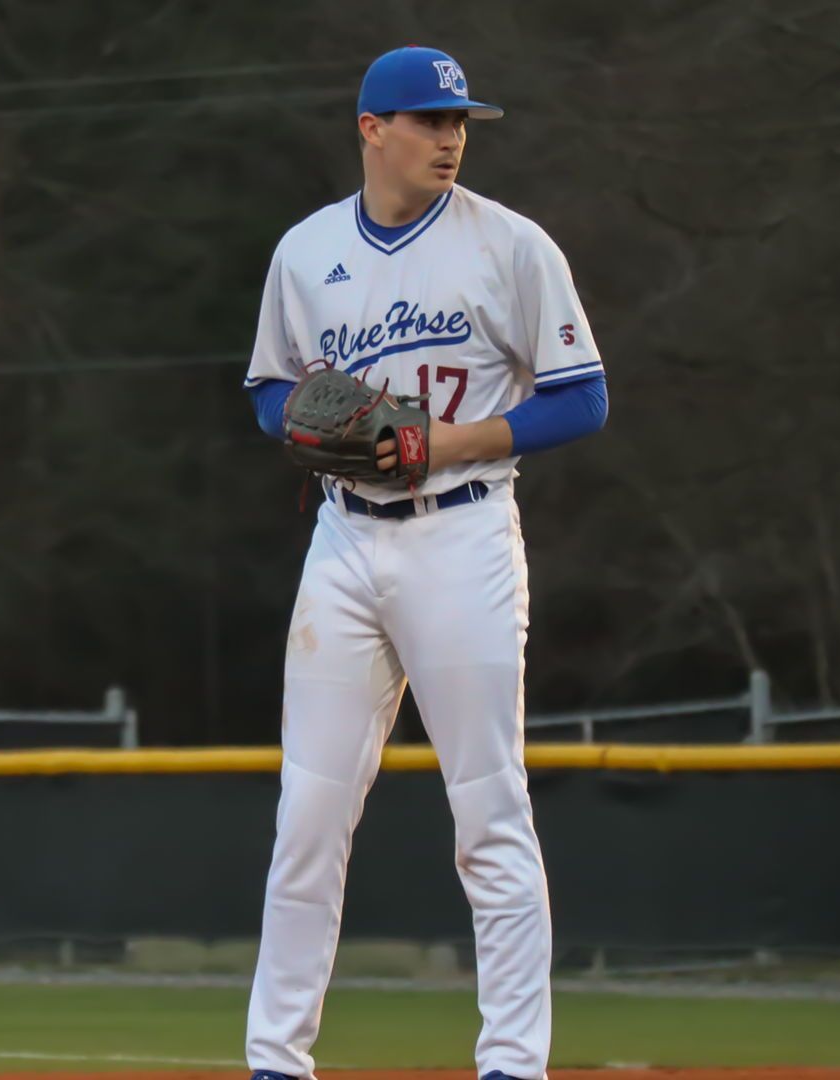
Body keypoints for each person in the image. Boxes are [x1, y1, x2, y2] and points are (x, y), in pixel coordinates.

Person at [244, 45, 608, 1080]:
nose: (449, 137)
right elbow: (272, 390)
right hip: (346, 536)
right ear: (372, 129)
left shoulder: (511, 245)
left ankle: (512, 1063)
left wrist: (445, 441)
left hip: (464, 533)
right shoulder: (308, 252)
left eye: (459, 123)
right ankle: (275, 1060)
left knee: (489, 808)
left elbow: (582, 398)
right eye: (427, 120)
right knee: (309, 816)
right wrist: (318, 427)